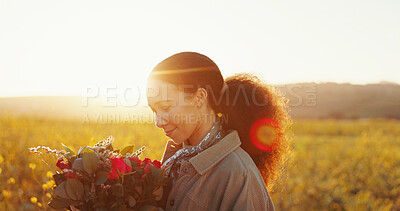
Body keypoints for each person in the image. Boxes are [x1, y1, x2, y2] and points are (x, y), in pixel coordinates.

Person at [146, 52, 292, 211]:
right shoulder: (175, 160)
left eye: (166, 107)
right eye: (154, 111)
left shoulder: (238, 175)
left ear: (200, 97)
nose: (158, 122)